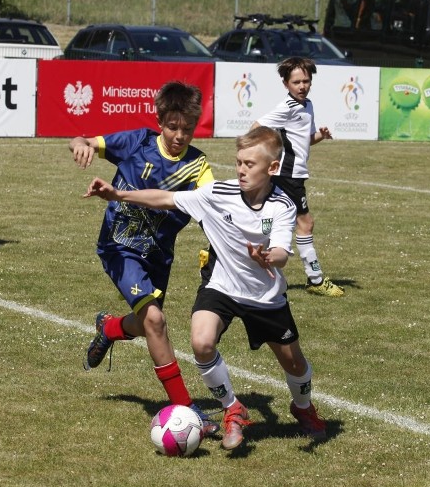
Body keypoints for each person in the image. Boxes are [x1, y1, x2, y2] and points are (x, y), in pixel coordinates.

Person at [83, 126, 328, 451]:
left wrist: (267, 256)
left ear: (272, 168)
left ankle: (302, 407)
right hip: (222, 288)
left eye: (249, 164)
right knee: (201, 342)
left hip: (265, 296)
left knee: (295, 364)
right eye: (239, 162)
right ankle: (232, 408)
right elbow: (166, 199)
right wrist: (118, 195)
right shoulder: (218, 193)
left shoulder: (281, 206)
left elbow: (281, 251)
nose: (241, 170)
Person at [69, 81, 218, 435]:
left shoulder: (198, 168)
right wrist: (80, 146)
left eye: (187, 128)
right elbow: (84, 140)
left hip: (158, 256)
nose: (179, 135)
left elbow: (214, 207)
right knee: (155, 321)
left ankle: (108, 328)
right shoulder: (138, 143)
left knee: (146, 324)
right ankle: (186, 407)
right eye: (172, 126)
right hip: (119, 247)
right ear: (160, 120)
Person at [251, 57, 344, 298]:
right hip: (287, 176)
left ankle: (219, 258)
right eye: (296, 82)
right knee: (304, 224)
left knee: (267, 223)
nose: (302, 86)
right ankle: (315, 279)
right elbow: (256, 126)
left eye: (306, 81)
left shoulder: (307, 105)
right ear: (286, 84)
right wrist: (256, 154)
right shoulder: (288, 107)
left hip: (294, 175)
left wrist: (320, 136)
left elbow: (305, 139)